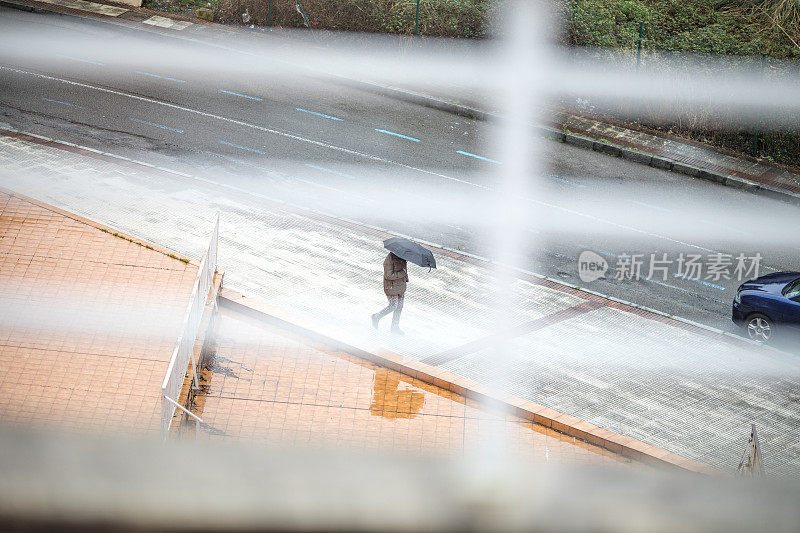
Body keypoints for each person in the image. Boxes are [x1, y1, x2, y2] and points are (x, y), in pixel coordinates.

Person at [371, 252, 408, 335]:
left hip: (400, 286)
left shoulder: (403, 258)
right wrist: (403, 273)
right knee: (393, 305)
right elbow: (388, 275)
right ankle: (376, 317)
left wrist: (406, 277)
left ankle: (395, 327)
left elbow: (404, 271)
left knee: (399, 307)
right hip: (391, 287)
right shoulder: (389, 259)